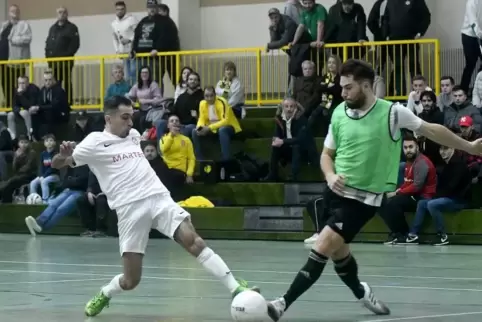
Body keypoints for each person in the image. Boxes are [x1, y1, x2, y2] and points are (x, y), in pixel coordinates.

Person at [266, 59, 482, 322]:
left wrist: (469, 147)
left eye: (348, 87)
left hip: (363, 199)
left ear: (366, 86)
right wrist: (330, 174)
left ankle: (280, 304)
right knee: (338, 251)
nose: (342, 93)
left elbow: (432, 131)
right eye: (341, 88)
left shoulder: (392, 113)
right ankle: (361, 291)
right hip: (334, 193)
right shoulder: (338, 113)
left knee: (323, 245)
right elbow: (326, 155)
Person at [51, 96, 258, 317]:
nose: (131, 123)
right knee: (131, 280)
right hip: (129, 209)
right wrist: (62, 157)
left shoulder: (132, 135)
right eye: (125, 117)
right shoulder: (93, 141)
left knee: (193, 240)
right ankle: (106, 292)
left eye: (132, 116)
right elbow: (59, 163)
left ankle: (234, 287)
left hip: (158, 197)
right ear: (108, 118)